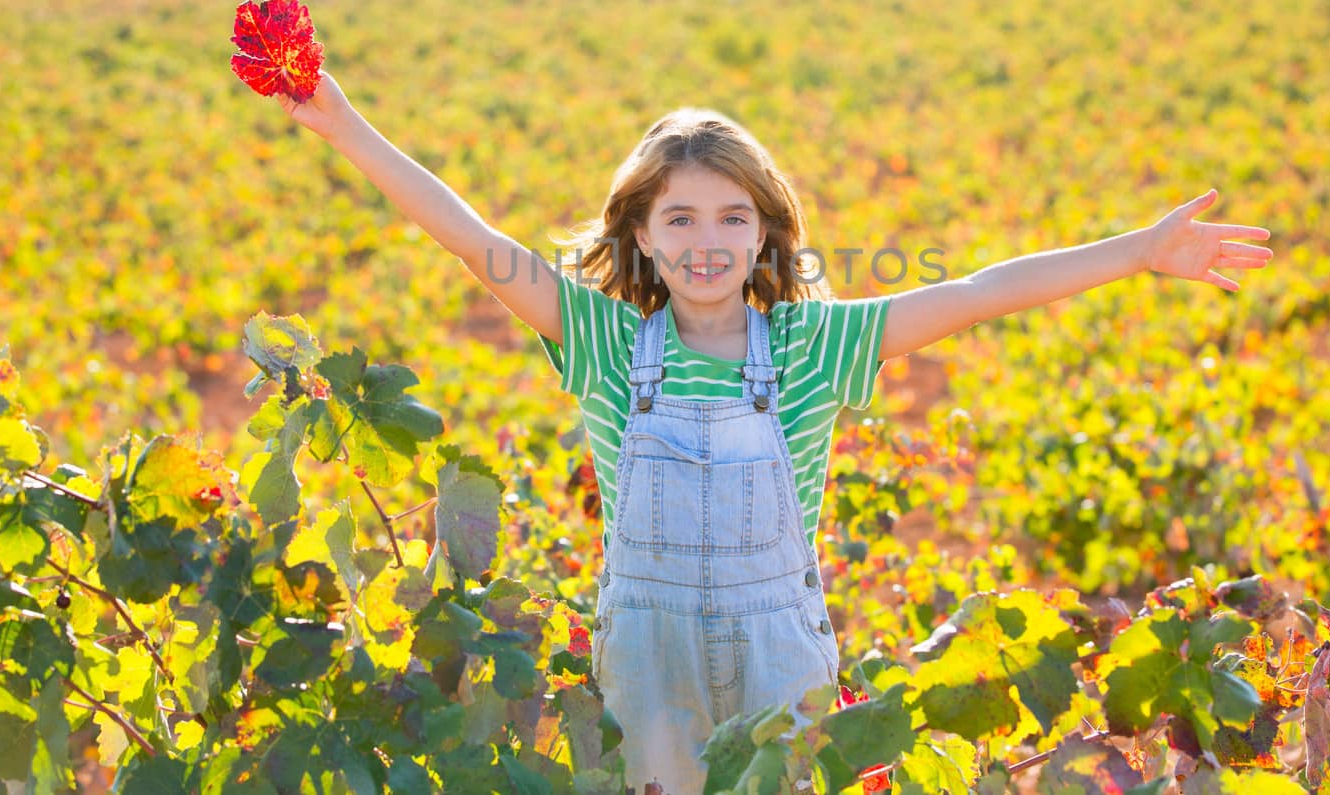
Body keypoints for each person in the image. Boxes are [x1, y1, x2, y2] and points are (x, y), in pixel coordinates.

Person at [277, 69, 1273, 794]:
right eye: (677, 219)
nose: (703, 241)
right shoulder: (597, 336)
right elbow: (473, 240)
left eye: (728, 217)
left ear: (764, 232)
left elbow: (980, 291)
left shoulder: (815, 344)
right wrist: (343, 123)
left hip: (778, 655)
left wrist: (1140, 251)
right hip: (650, 660)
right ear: (639, 235)